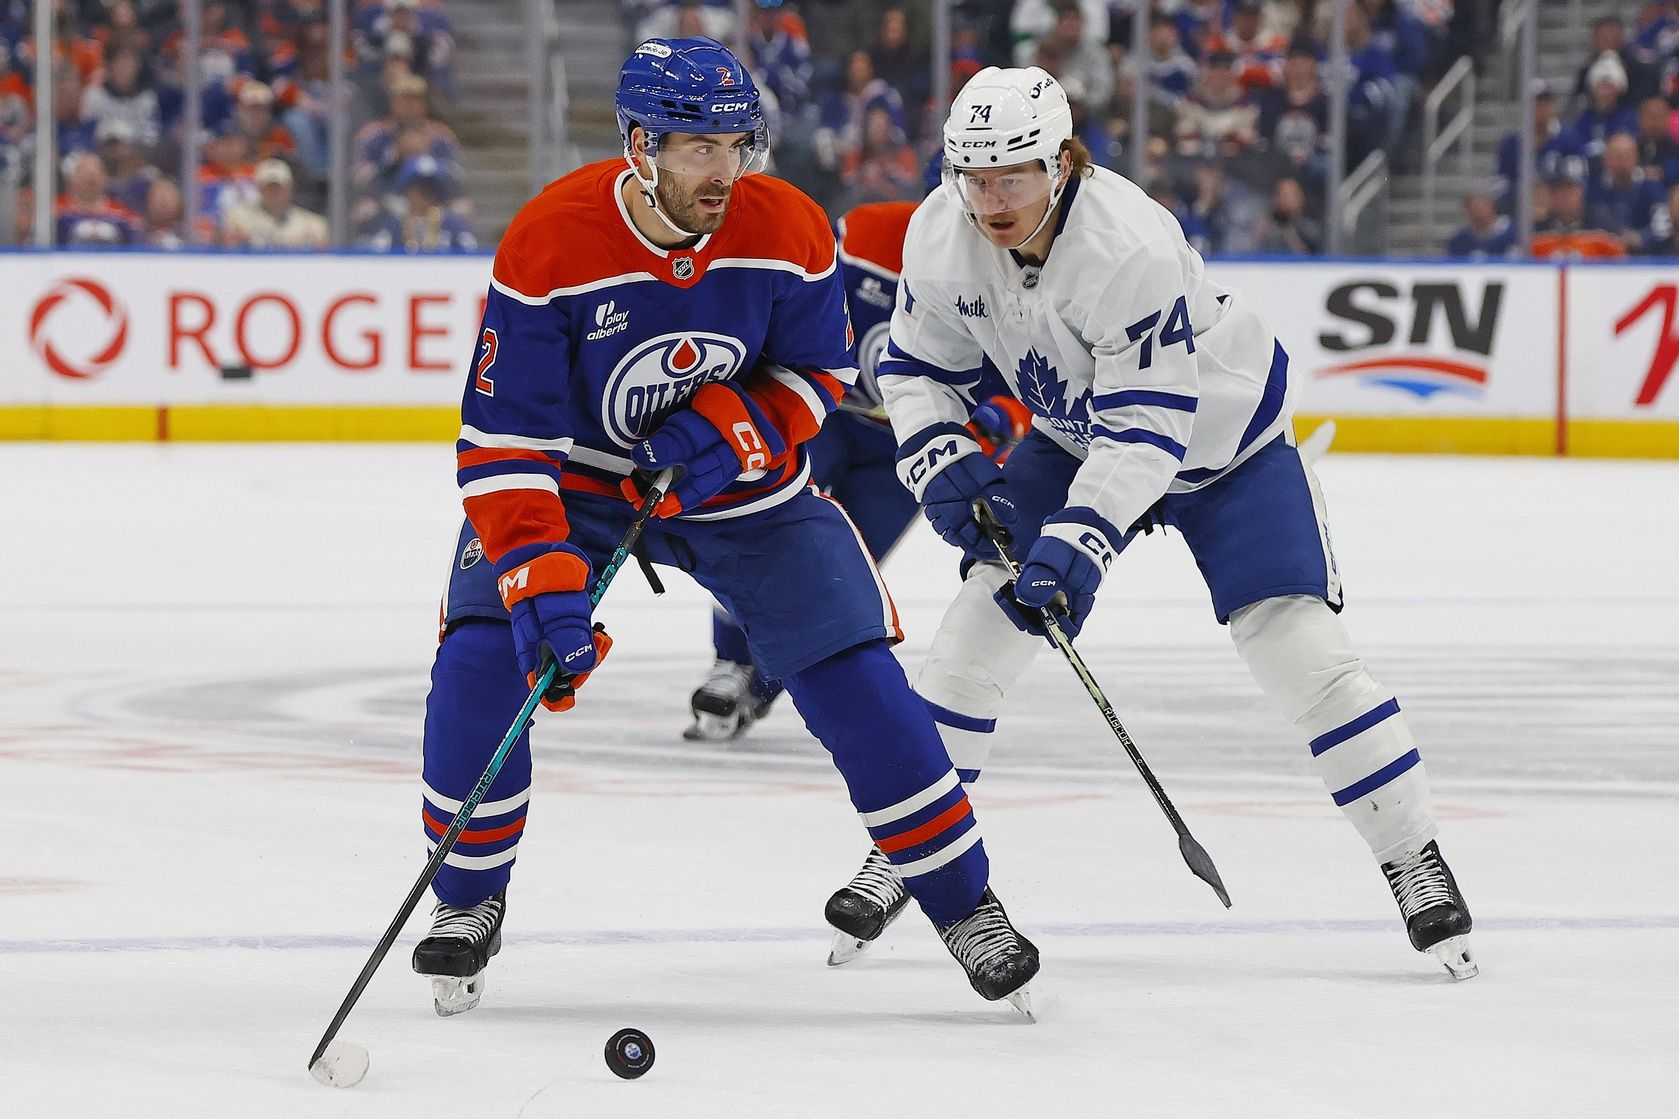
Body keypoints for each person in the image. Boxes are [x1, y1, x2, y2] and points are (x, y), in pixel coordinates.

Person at [408, 37, 1040, 1019]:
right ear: (637, 146)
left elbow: (816, 376)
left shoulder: (783, 225)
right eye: (699, 149)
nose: (726, 170)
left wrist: (725, 431)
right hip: (577, 488)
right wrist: (537, 577)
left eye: (738, 144)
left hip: (740, 488)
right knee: (482, 666)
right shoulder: (548, 242)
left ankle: (964, 905)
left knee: (855, 676)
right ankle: (465, 901)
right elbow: (502, 446)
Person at [821, 65, 1478, 982]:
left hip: (1222, 447)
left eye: (1010, 175)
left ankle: (1411, 852)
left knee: (1298, 648)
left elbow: (1147, 429)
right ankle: (910, 847)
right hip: (1072, 432)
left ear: (1060, 163)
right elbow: (918, 366)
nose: (989, 199)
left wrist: (1078, 540)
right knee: (972, 637)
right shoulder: (940, 231)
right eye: (972, 177)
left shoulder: (1128, 243)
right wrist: (936, 453)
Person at [684, 199, 1030, 742]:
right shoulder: (868, 231)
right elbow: (795, 299)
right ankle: (730, 662)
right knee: (763, 531)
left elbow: (1025, 386)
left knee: (838, 568)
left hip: (912, 447)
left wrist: (995, 421)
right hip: (823, 416)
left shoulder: (1009, 263)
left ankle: (766, 682)